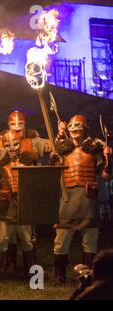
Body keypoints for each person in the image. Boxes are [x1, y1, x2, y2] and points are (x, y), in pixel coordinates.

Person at [53, 115, 112, 285]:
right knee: (61, 240)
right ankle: (59, 274)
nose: (74, 130)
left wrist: (109, 159)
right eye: (71, 127)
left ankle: (87, 275)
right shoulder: (62, 149)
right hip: (67, 201)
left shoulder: (94, 149)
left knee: (89, 240)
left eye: (78, 127)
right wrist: (59, 135)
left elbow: (106, 176)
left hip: (88, 201)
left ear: (84, 129)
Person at [0, 131, 39, 283]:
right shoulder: (1, 164)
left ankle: (31, 270)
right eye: (7, 145)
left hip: (24, 204)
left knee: (26, 239)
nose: (11, 148)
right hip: (6, 205)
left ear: (20, 144)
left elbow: (37, 182)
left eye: (15, 144)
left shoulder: (28, 162)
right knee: (2, 239)